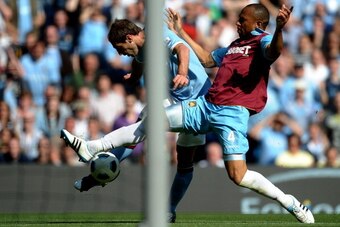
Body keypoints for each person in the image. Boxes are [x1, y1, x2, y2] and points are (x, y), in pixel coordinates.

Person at [61, 4, 314, 223]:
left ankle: (288, 201)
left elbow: (274, 52)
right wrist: (181, 32)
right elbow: (204, 59)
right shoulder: (234, 46)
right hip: (205, 106)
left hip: (231, 114)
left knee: (238, 176)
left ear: (258, 24)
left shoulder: (263, 41)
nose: (237, 22)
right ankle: (93, 148)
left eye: (242, 20)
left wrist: (280, 28)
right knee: (151, 121)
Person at [71, 18, 212, 223]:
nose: (120, 53)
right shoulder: (141, 48)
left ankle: (169, 210)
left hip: (199, 101)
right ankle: (101, 172)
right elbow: (140, 61)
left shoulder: (157, 33)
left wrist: (182, 73)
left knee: (185, 161)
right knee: (141, 125)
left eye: (120, 48)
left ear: (129, 38)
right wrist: (135, 76)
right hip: (174, 97)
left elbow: (183, 49)